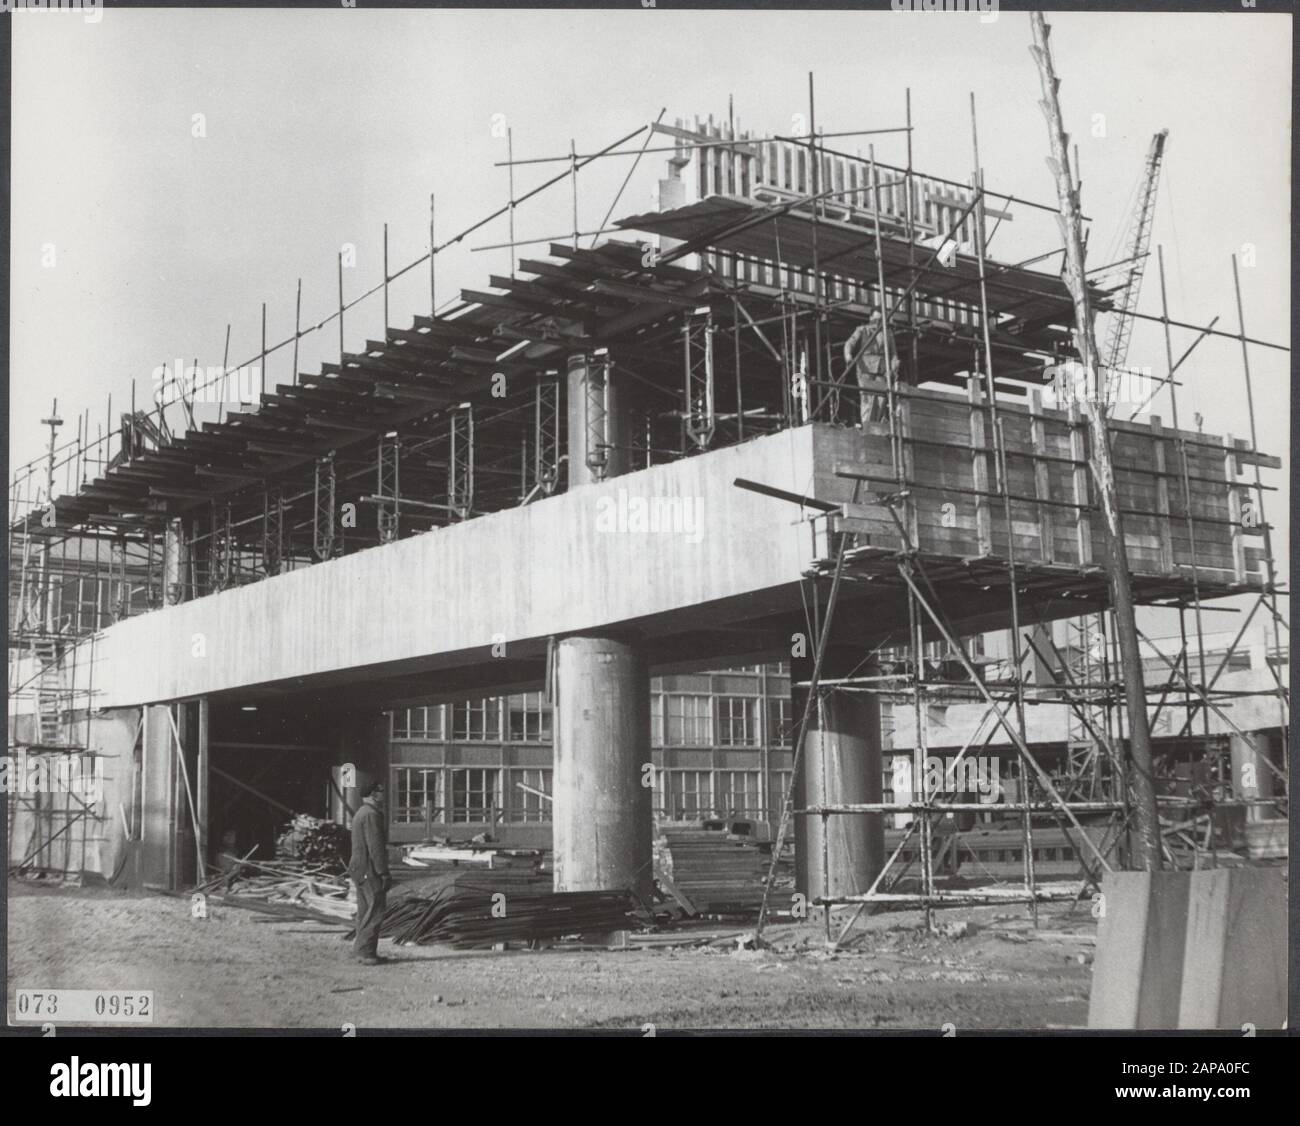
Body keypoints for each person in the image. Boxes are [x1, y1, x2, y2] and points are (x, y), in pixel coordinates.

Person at [349, 780, 393, 965]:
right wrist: (383, 872)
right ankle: (366, 952)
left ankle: (361, 951)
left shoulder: (360, 812)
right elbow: (375, 848)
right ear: (374, 794)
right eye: (382, 790)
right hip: (370, 869)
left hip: (358, 868)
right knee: (376, 909)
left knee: (364, 910)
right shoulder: (371, 815)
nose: (384, 794)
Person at [844, 310, 901, 425]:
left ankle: (876, 424)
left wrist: (893, 368)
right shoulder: (862, 330)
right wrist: (848, 355)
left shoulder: (888, 334)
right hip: (865, 368)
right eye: (875, 320)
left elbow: (894, 354)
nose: (877, 323)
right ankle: (866, 424)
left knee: (881, 399)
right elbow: (850, 343)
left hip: (883, 370)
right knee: (867, 398)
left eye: (880, 320)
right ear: (870, 318)